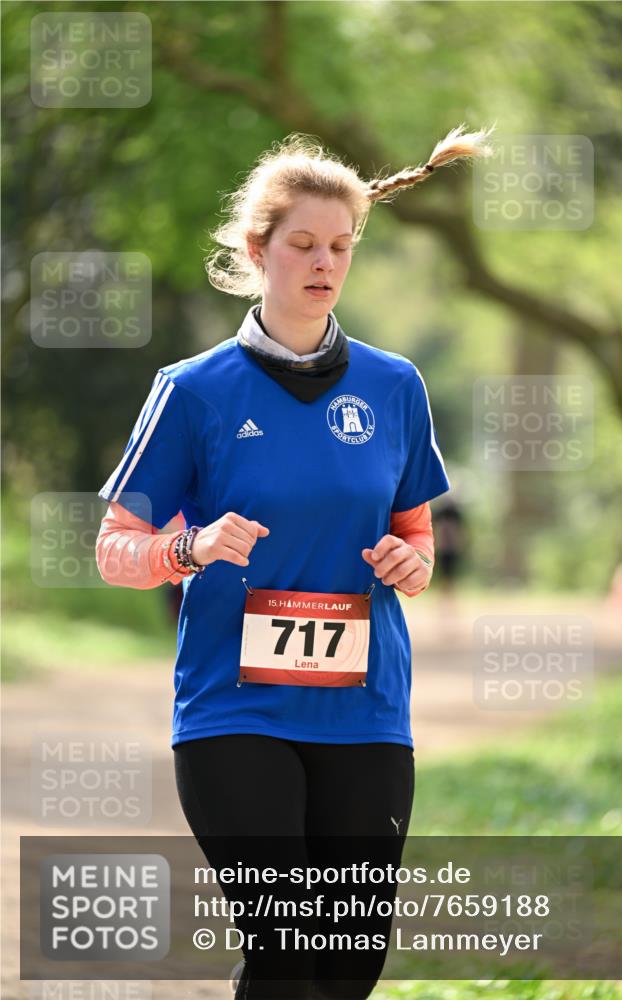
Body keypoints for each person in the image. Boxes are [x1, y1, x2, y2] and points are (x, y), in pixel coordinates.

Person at [96, 125, 493, 999]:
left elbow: (418, 540)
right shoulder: (192, 390)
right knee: (285, 946)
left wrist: (408, 563)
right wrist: (187, 547)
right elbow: (114, 550)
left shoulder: (394, 386)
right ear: (257, 249)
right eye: (303, 244)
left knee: (347, 965)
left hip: (366, 711)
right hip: (234, 711)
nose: (324, 263)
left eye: (341, 247)